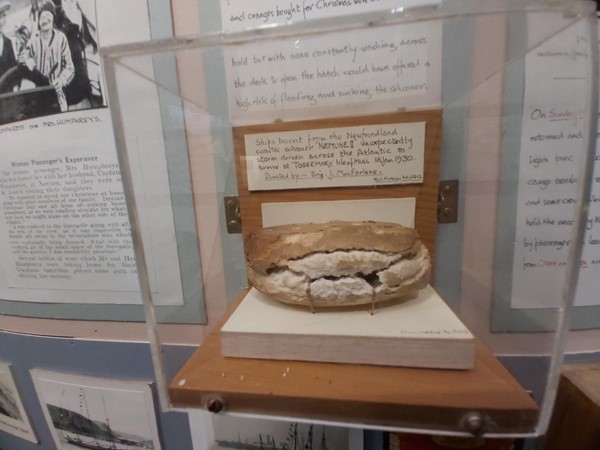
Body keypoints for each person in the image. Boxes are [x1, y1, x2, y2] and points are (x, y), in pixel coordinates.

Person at [18, 0, 74, 111]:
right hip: (38, 97)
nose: (45, 20)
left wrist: (61, 80)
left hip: (57, 97)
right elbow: (22, 62)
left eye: (48, 15)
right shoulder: (33, 41)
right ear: (38, 20)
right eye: (42, 16)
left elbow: (70, 68)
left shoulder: (61, 39)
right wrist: (24, 60)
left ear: (53, 18)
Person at [0, 0, 16, 93]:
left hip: (7, 98)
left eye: (4, 16)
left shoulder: (8, 43)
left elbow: (14, 71)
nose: (2, 21)